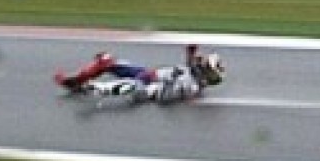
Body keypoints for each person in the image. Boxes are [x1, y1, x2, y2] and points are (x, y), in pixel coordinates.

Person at [54, 44, 225, 101]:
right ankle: (75, 81)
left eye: (204, 64)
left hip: (148, 89)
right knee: (107, 61)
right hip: (146, 74)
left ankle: (95, 88)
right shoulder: (193, 75)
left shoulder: (191, 87)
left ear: (206, 73)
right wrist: (191, 52)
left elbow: (169, 96)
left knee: (130, 86)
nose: (201, 61)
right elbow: (190, 64)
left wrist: (166, 83)